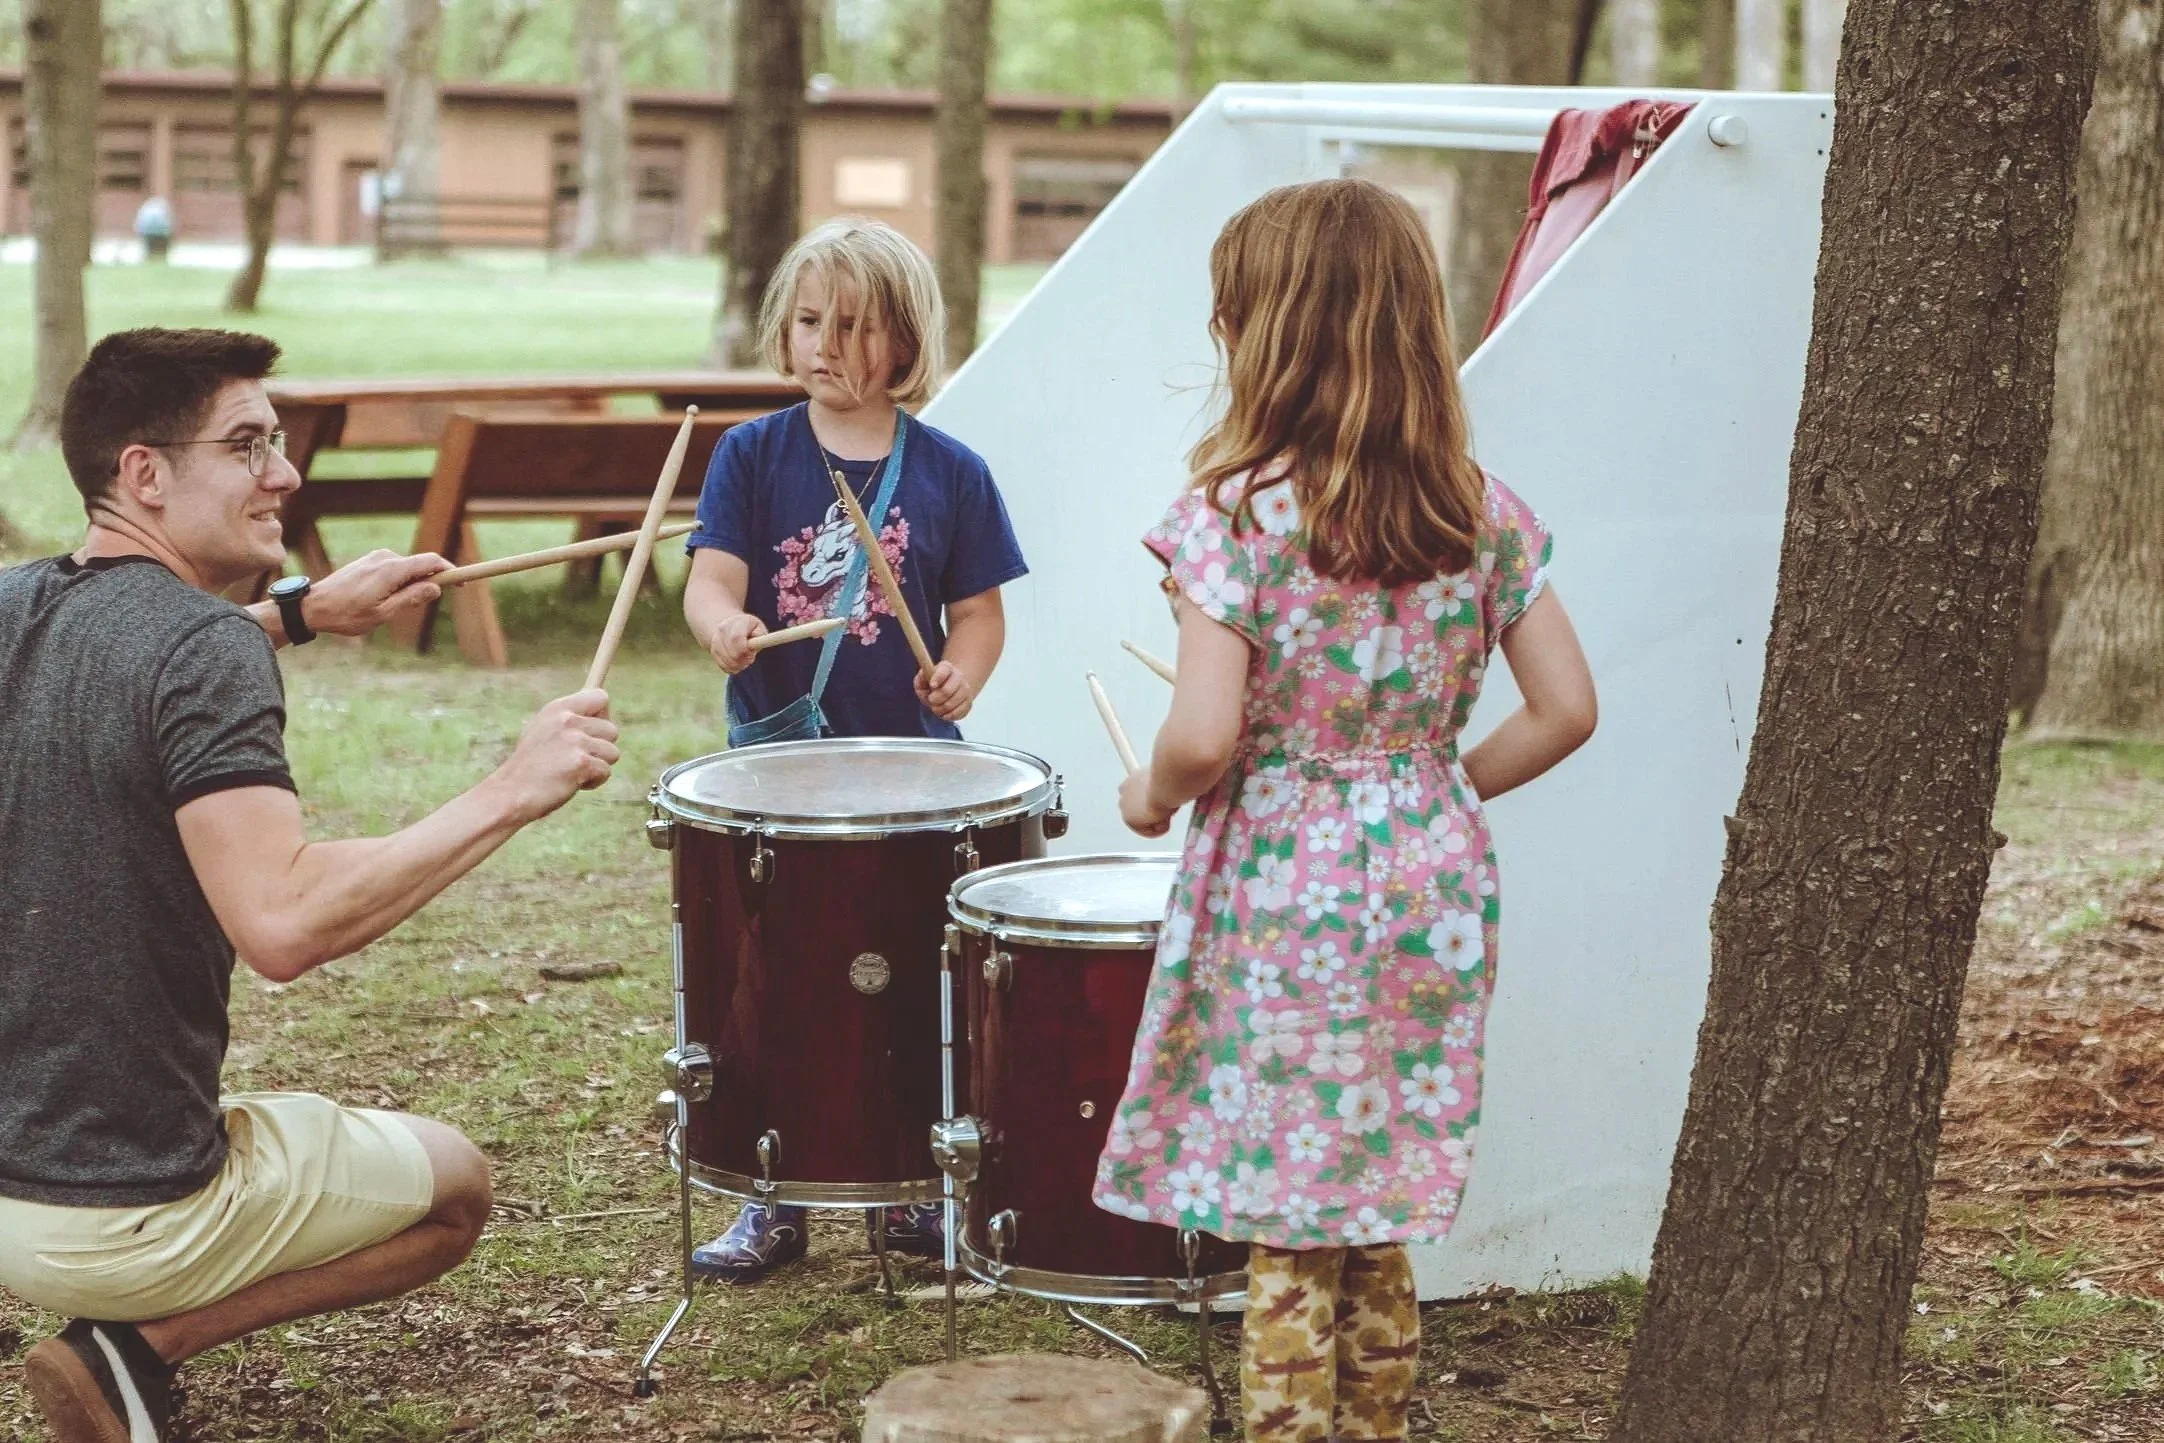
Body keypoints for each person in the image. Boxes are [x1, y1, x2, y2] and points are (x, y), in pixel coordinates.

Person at [0, 327, 621, 1443]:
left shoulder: (18, 608)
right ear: (144, 473)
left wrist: (296, 612)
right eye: (248, 446)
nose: (284, 475)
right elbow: (283, 923)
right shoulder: (199, 649)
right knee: (455, 1188)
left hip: (7, 1181)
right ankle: (133, 1352)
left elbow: (123, 666)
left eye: (278, 443)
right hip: (121, 1211)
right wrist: (513, 789)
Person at [1092, 180, 1598, 1442]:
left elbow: (1204, 737)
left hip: (1280, 894)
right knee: (1367, 1203)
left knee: (1285, 1222)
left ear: (1269, 337)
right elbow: (1566, 709)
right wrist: (1430, 791)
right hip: (1430, 881)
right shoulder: (1480, 508)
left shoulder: (1237, 518)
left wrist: (1146, 793)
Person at [680, 218, 1028, 1282]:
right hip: (782, 775)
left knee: (912, 983)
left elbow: (977, 614)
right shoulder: (753, 453)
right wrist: (723, 628)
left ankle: (912, 1188)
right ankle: (768, 1190)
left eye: (853, 326)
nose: (824, 343)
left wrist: (963, 672)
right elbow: (711, 580)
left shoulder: (951, 471)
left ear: (904, 341)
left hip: (913, 775)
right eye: (808, 319)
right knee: (766, 985)